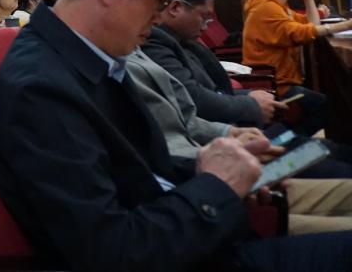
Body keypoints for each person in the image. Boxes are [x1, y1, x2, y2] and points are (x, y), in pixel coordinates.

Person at [0, 0, 352, 272]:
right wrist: (216, 186)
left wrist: (218, 168)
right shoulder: (41, 89)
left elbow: (142, 172)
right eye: (159, 2)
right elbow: (113, 252)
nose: (161, 17)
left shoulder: (87, 56)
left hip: (200, 234)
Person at [126, 46, 352, 235]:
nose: (208, 15)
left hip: (219, 163)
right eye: (201, 10)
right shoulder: (145, 48)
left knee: (321, 147)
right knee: (323, 153)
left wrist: (229, 135)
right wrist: (220, 167)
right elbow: (196, 104)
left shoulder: (139, 47)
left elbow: (188, 115)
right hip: (205, 194)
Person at [142, 0, 286, 128]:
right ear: (176, 8)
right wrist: (251, 105)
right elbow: (192, 97)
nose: (205, 27)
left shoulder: (184, 41)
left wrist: (249, 95)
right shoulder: (154, 42)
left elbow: (213, 90)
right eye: (204, 17)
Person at [241, 0, 352, 135]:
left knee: (331, 102)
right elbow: (302, 32)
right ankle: (288, 142)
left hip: (283, 77)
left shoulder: (277, 5)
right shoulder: (266, 8)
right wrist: (346, 25)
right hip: (274, 82)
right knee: (328, 105)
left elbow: (310, 25)